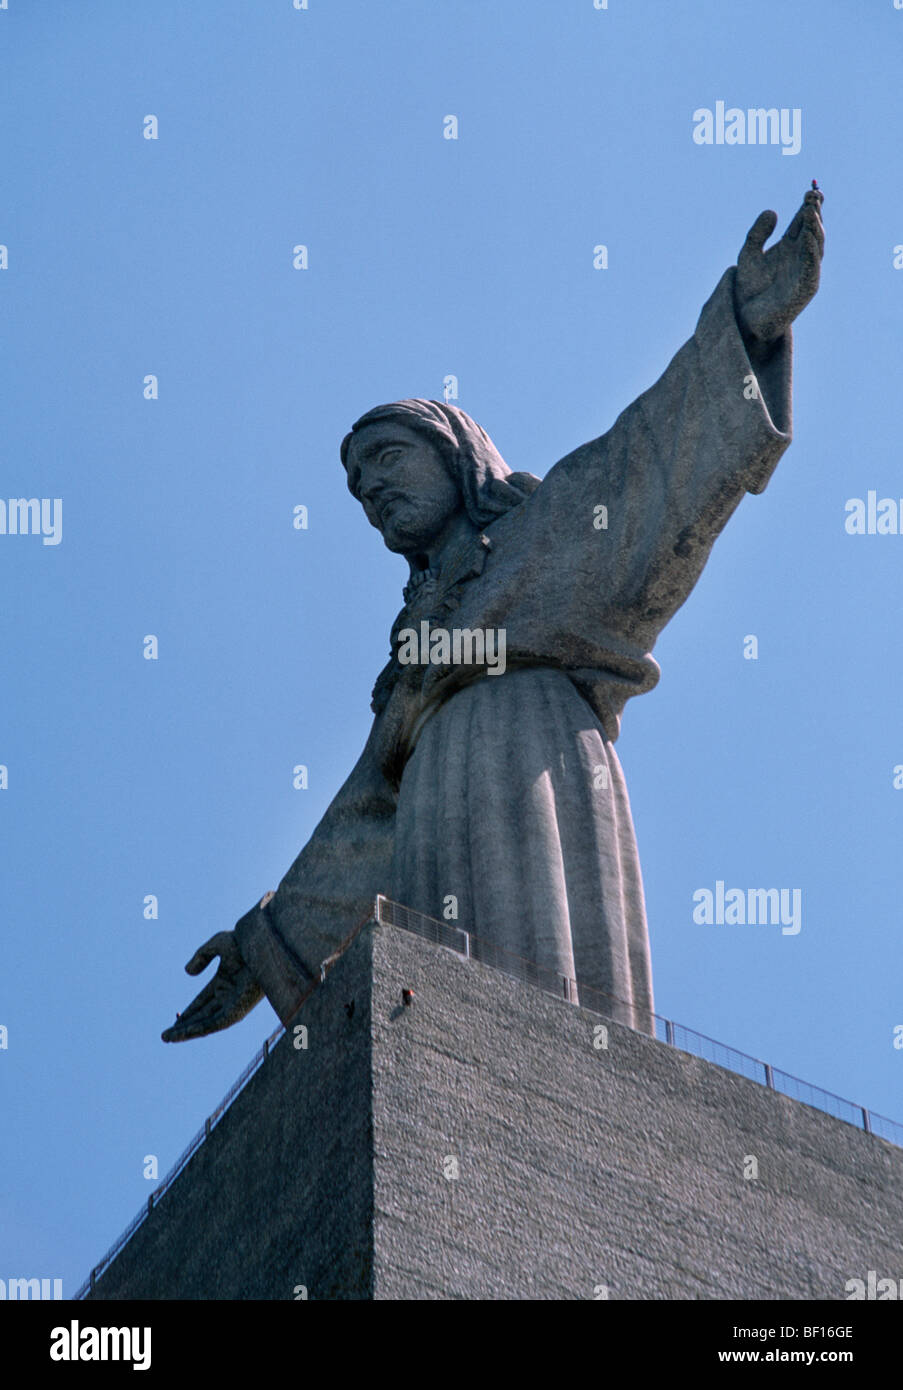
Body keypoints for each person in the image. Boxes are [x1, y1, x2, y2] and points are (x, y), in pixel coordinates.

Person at [163, 188, 824, 1043]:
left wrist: (745, 325)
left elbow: (648, 458)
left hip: (538, 751)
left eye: (386, 459)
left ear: (456, 455)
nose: (373, 491)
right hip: (437, 796)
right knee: (446, 1029)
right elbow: (367, 808)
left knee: (560, 1008)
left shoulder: (544, 532)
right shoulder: (413, 655)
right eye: (358, 487)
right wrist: (268, 940)